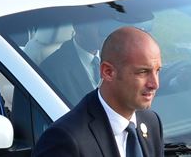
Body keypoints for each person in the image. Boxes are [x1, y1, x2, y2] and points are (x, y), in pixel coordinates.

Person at [33, 26, 164, 157]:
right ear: (108, 72)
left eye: (157, 71)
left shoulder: (151, 122)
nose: (155, 84)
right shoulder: (64, 140)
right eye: (142, 72)